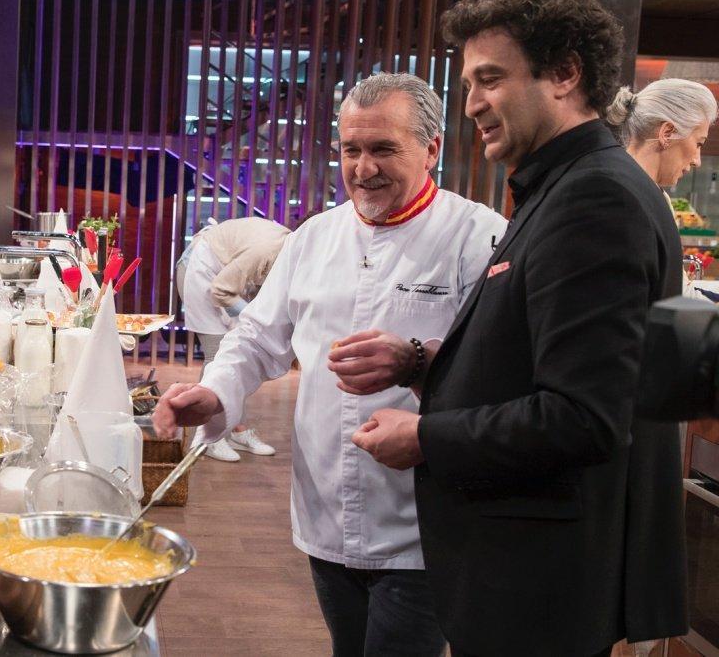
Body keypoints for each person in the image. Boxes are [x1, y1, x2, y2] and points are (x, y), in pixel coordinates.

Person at [346, 0, 688, 655]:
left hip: (539, 590)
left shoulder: (594, 199)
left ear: (565, 74)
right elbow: (541, 351)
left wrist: (425, 437)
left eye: (491, 79)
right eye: (470, 81)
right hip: (530, 579)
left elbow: (582, 415)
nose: (471, 101)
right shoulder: (564, 185)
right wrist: (422, 362)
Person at [153, 72, 506, 657]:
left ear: (432, 149)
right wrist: (214, 393)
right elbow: (256, 338)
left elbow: (496, 368)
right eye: (351, 150)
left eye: (384, 149)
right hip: (323, 510)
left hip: (424, 521)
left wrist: (418, 365)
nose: (363, 168)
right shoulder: (315, 237)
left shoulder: (476, 235)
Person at [175, 216, 288, 461]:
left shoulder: (289, 252)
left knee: (233, 356)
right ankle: (209, 438)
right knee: (217, 356)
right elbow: (221, 289)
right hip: (201, 271)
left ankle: (237, 429)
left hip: (221, 277)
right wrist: (250, 314)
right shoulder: (269, 249)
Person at [608, 79, 717, 299]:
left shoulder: (656, 197)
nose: (697, 161)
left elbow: (677, 290)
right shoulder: (619, 197)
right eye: (698, 143)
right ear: (667, 133)